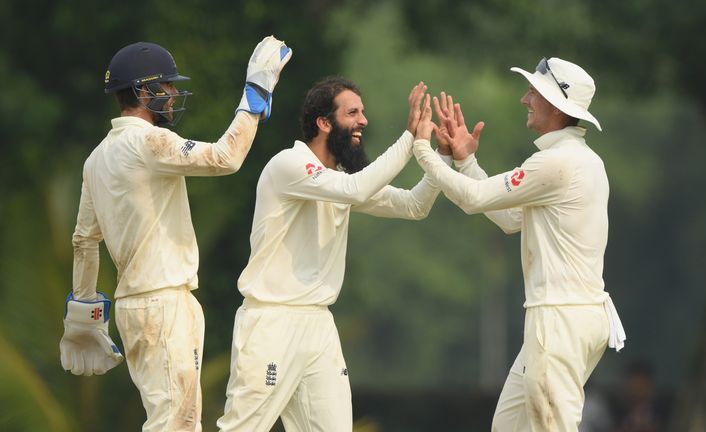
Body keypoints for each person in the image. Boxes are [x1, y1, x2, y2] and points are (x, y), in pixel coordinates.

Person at [59, 36, 292, 431]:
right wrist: (254, 94)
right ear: (141, 90)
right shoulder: (148, 140)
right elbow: (225, 157)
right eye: (165, 87)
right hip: (163, 305)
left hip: (140, 306)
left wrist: (86, 311)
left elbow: (84, 240)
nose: (171, 95)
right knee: (176, 424)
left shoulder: (96, 158)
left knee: (178, 421)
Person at [216, 77, 449, 431]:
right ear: (324, 123)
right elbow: (355, 190)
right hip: (271, 322)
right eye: (353, 112)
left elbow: (415, 205)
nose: (363, 121)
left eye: (363, 112)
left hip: (319, 327)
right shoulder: (289, 165)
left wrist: (439, 155)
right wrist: (409, 139)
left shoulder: (340, 177)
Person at [410, 57, 627, 431]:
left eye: (533, 92)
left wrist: (424, 150)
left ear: (556, 106)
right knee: (509, 426)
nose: (525, 100)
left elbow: (475, 199)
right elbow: (512, 220)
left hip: (559, 318)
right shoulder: (582, 161)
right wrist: (466, 161)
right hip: (574, 316)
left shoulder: (558, 163)